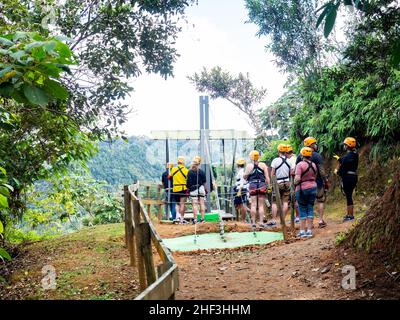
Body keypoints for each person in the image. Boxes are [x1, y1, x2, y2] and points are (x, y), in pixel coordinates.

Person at [296, 137, 330, 228]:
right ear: (311, 145)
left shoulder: (300, 156)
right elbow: (321, 171)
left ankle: (308, 224)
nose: (316, 145)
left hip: (303, 185)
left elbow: (296, 170)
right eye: (314, 143)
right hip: (317, 182)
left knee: (306, 203)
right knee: (321, 200)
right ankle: (320, 220)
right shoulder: (317, 156)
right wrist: (325, 180)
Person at [294, 147, 318, 238]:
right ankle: (309, 231)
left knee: (302, 208)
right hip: (313, 187)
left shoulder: (300, 165)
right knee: (310, 207)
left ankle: (302, 231)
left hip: (302, 189)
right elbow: (315, 176)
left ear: (302, 155)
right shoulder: (314, 165)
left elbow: (297, 178)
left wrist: (294, 185)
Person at [244, 150, 271, 229]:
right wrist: (269, 186)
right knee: (261, 205)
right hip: (262, 184)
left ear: (251, 157)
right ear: (258, 156)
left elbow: (245, 177)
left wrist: (247, 175)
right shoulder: (263, 165)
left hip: (252, 185)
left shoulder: (249, 166)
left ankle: (253, 222)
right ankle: (261, 222)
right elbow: (267, 177)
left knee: (253, 204)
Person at [271, 144, 295, 224]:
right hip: (287, 183)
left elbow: (273, 173)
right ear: (285, 152)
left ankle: (274, 220)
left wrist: (272, 183)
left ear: (279, 151)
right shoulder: (289, 161)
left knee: (275, 202)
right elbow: (291, 173)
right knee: (285, 202)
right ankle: (283, 219)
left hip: (277, 183)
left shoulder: (275, 160)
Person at [336, 137, 359, 222]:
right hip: (354, 176)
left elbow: (343, 167)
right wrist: (339, 159)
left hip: (347, 177)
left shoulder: (347, 156)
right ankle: (350, 214)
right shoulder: (355, 154)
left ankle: (350, 215)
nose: (344, 146)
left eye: (345, 145)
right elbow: (346, 160)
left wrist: (338, 172)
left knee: (348, 196)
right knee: (349, 196)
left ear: (347, 146)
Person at [168, 156, 189, 224]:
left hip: (175, 188)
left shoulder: (173, 169)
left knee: (177, 204)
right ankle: (182, 219)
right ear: (183, 162)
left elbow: (168, 177)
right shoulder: (186, 170)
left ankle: (177, 217)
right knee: (182, 204)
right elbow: (188, 179)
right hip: (183, 188)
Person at [187, 158, 208, 224]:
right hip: (201, 188)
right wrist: (206, 189)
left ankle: (195, 219)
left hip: (193, 189)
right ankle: (202, 218)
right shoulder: (201, 172)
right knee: (202, 203)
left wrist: (189, 188)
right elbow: (204, 182)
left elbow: (188, 182)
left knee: (194, 204)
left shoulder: (190, 172)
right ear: (199, 164)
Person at [286, 144, 300, 223]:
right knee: (294, 199)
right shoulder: (295, 157)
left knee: (294, 199)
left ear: (287, 153)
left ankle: (297, 216)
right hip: (296, 180)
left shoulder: (291, 159)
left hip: (293, 180)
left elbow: (293, 170)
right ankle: (297, 216)